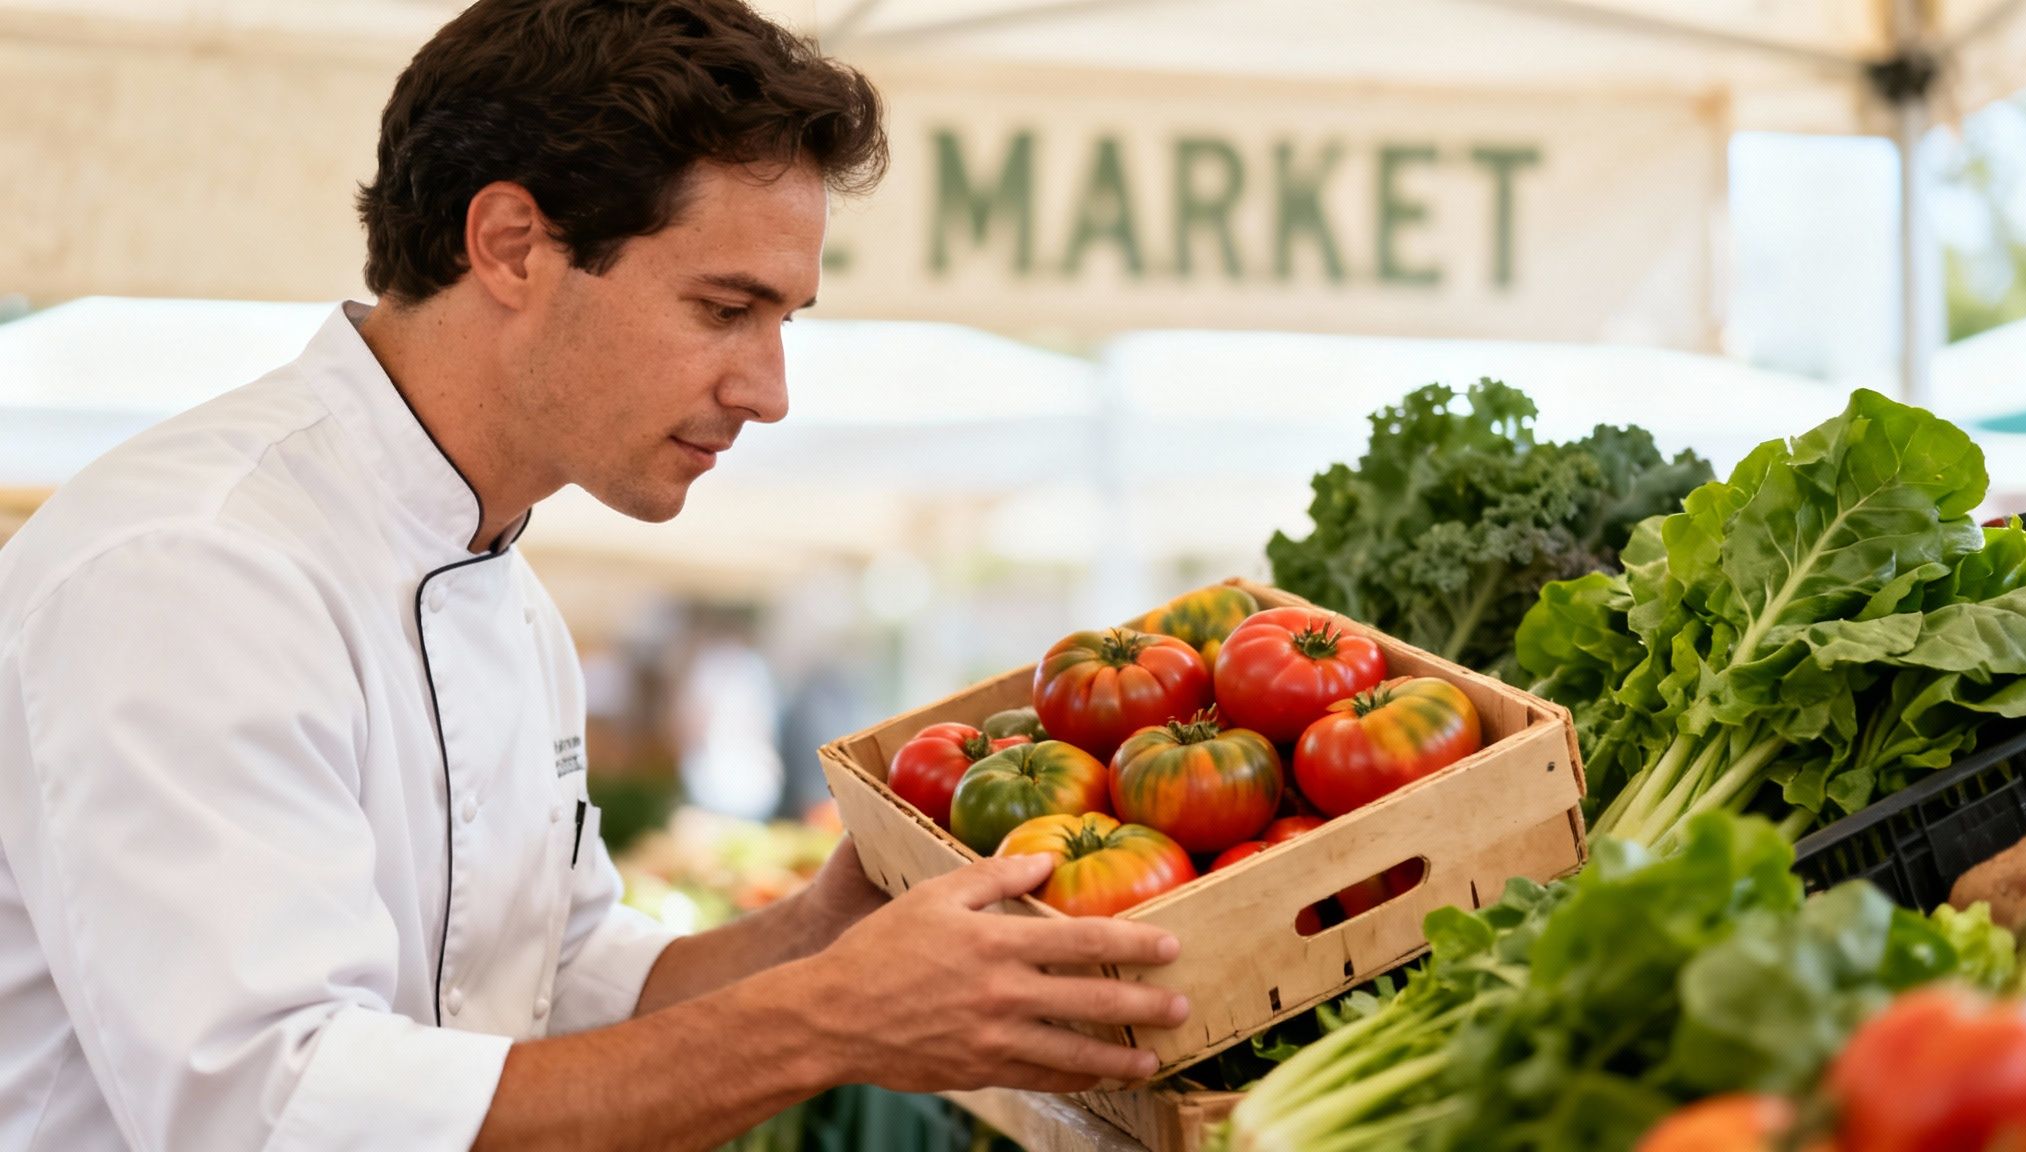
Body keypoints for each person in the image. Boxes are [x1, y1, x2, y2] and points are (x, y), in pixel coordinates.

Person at [0, 2, 1189, 1149]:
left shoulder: (503, 594)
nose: (769, 391)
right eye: (725, 308)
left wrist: (819, 936)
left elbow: (562, 988)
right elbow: (276, 1115)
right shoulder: (194, 572)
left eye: (785, 321)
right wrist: (826, 1021)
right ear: (511, 245)